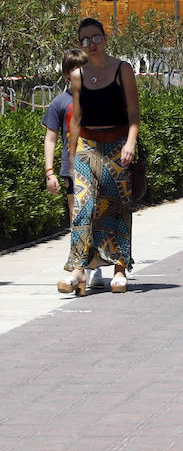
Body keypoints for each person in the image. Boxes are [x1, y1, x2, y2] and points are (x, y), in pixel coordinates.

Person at [59, 18, 140, 296]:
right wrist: (70, 158)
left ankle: (119, 268)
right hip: (87, 145)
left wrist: (131, 142)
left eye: (95, 38)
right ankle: (78, 269)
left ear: (105, 38)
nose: (90, 44)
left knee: (116, 207)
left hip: (118, 145)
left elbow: (133, 112)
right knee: (82, 206)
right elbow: (76, 119)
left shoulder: (122, 69)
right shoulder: (78, 75)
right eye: (84, 40)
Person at [43, 50, 103, 284]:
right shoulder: (59, 103)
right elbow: (50, 138)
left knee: (98, 215)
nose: (83, 72)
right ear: (67, 74)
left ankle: (97, 266)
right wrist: (50, 172)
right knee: (77, 219)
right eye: (78, 68)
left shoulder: (98, 99)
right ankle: (82, 267)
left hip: (98, 165)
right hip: (72, 169)